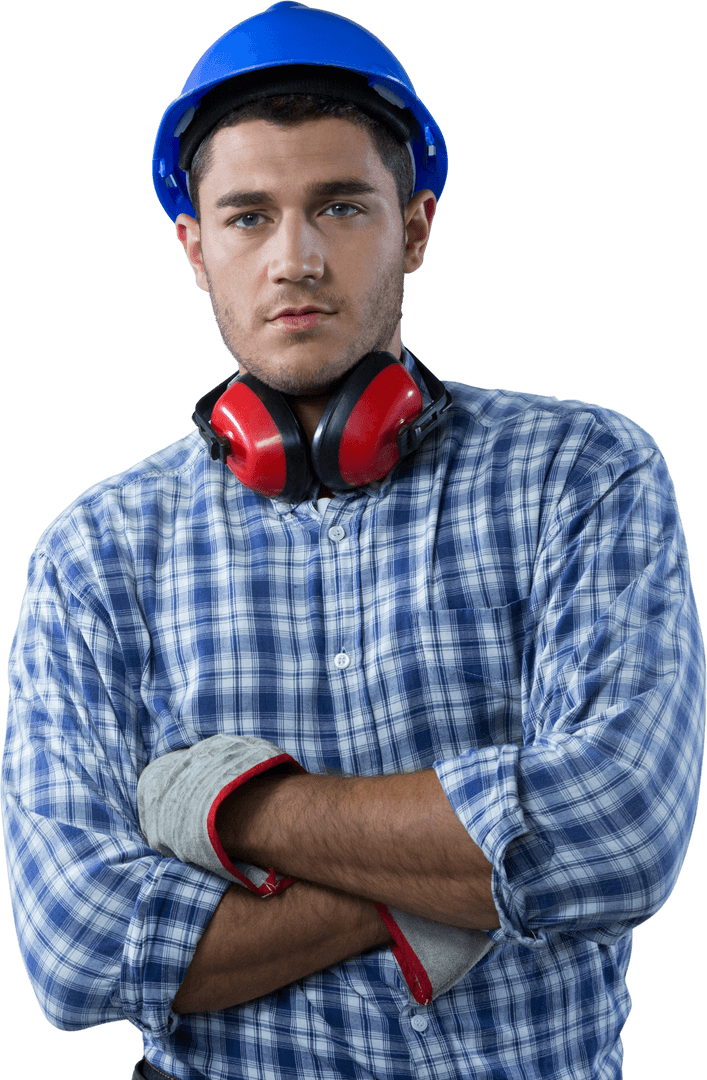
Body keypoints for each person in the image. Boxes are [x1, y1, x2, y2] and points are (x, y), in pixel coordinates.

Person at [2, 3, 705, 1079]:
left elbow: (621, 833)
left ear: (414, 226)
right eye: (246, 216)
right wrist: (446, 880)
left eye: (338, 206)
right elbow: (79, 952)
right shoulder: (94, 556)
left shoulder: (582, 474)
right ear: (192, 247)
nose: (295, 258)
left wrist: (233, 810)